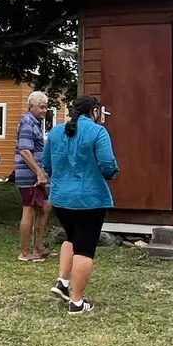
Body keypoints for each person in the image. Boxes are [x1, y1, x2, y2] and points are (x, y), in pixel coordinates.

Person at [41, 94, 116, 315]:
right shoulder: (98, 132)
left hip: (61, 198)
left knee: (71, 237)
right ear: (94, 111)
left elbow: (47, 164)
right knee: (84, 248)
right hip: (89, 199)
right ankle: (76, 302)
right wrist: (109, 174)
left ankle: (62, 282)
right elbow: (108, 164)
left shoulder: (55, 132)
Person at [14, 91, 51, 261]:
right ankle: (24, 252)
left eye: (46, 107)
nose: (45, 110)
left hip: (36, 175)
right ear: (31, 107)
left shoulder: (35, 123)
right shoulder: (28, 122)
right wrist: (38, 172)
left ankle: (39, 247)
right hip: (30, 175)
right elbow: (24, 150)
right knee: (29, 209)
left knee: (44, 207)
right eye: (41, 107)